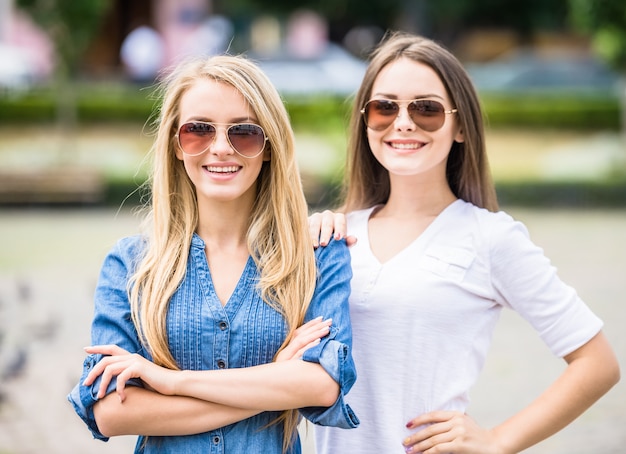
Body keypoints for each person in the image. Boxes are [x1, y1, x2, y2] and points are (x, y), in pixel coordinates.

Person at [310, 31, 619, 454]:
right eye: (385, 108)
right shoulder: (331, 235)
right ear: (366, 122)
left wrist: (498, 440)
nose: (403, 122)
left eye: (426, 109)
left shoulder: (490, 237)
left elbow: (597, 364)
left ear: (459, 126)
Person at [67, 54, 358, 454]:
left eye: (244, 132)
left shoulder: (319, 256)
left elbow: (323, 386)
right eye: (199, 130)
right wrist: (275, 381)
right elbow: (110, 411)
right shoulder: (131, 264)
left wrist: (170, 382)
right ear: (176, 145)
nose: (221, 148)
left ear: (269, 146)